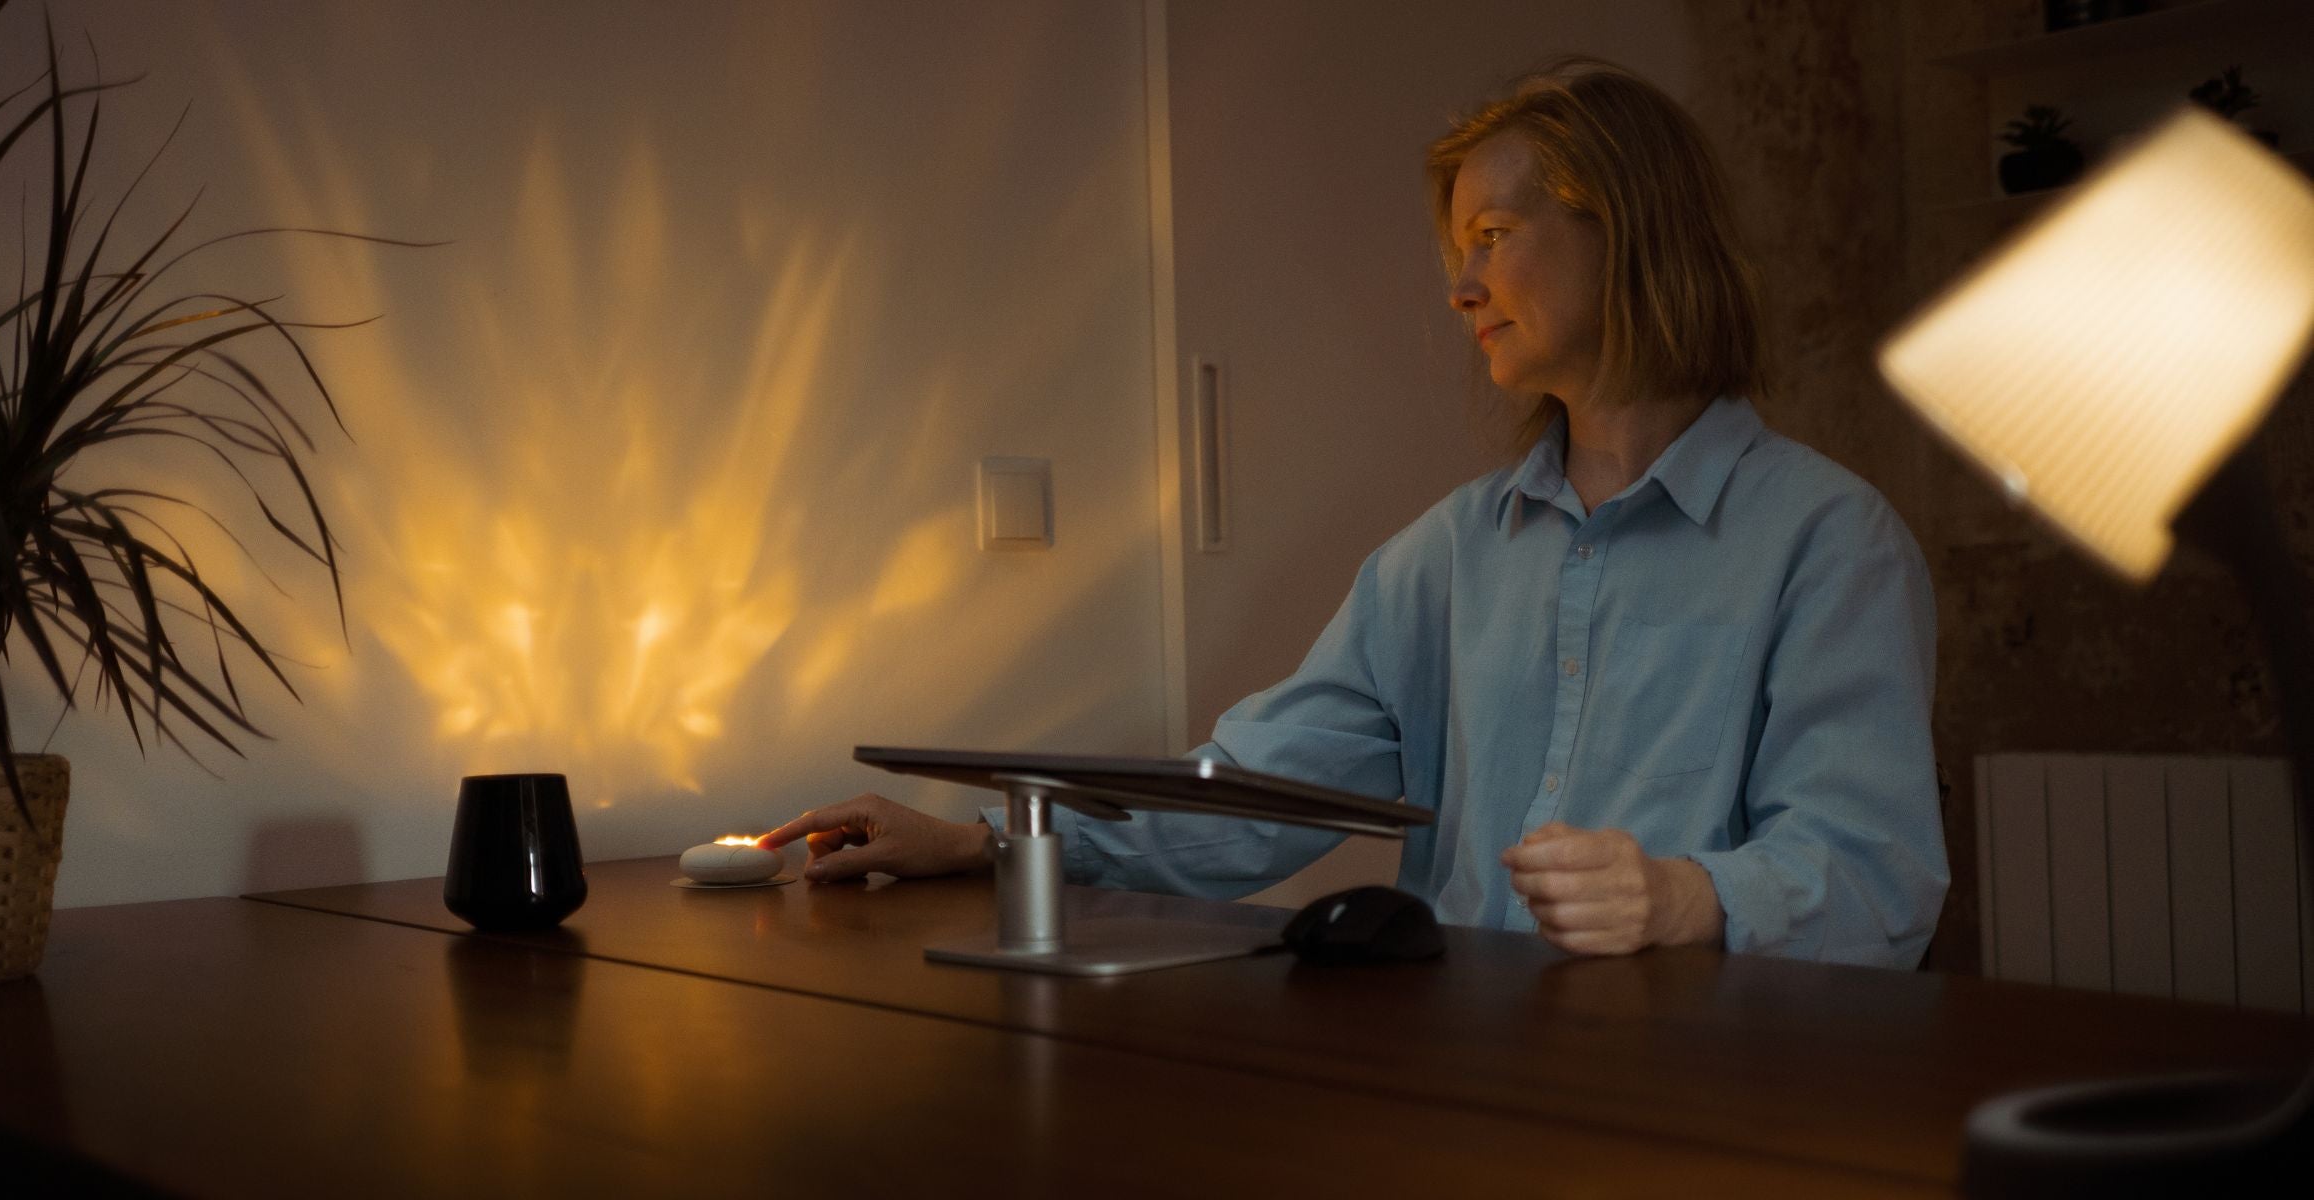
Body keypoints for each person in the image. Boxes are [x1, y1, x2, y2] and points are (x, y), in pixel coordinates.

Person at [759, 59, 1946, 969]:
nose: (1460, 288)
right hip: (1463, 1080)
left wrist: (1681, 897)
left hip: (1709, 1095)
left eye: (1491, 239)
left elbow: (1875, 880)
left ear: (1624, 229)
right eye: (1457, 251)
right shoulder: (1442, 558)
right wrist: (984, 842)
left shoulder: (1828, 544)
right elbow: (1250, 800)